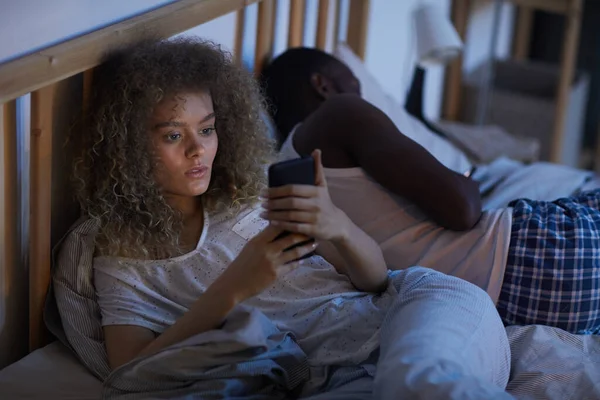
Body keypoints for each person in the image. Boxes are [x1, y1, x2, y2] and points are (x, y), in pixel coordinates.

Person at [68, 37, 513, 398]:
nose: (197, 149)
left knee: (415, 384)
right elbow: (129, 375)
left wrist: (336, 224)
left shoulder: (249, 192)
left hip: (420, 310)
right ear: (127, 147)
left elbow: (378, 282)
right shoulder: (122, 255)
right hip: (337, 377)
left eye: (207, 129)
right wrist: (233, 288)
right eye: (172, 135)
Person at [262, 47, 600, 335]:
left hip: (519, 308)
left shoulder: (288, 184)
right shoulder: (339, 113)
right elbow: (463, 208)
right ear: (323, 84)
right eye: (354, 80)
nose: (360, 91)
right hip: (538, 257)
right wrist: (464, 178)